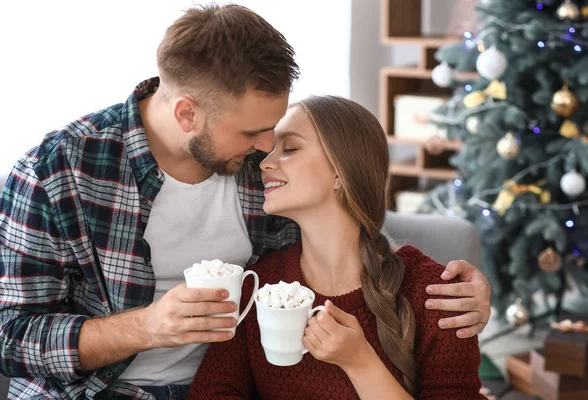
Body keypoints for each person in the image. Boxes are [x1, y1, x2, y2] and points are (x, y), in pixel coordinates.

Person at [0, 4, 490, 399]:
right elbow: (10, 337)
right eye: (254, 133)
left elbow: (342, 227)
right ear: (188, 113)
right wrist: (146, 328)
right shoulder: (57, 170)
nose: (265, 151)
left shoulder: (260, 171)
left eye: (276, 135)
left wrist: (453, 290)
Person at [188, 95, 488, 399]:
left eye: (290, 148)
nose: (265, 163)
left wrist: (360, 363)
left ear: (340, 172)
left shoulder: (438, 295)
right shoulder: (258, 286)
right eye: (270, 150)